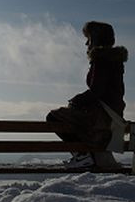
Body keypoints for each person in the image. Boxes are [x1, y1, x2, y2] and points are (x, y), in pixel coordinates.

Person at [46, 21, 127, 168]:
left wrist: (77, 100)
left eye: (88, 39)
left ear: (95, 39)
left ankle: (82, 156)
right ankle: (85, 156)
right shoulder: (115, 61)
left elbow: (97, 90)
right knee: (72, 117)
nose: (86, 44)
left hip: (101, 116)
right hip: (113, 114)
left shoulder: (101, 59)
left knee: (53, 117)